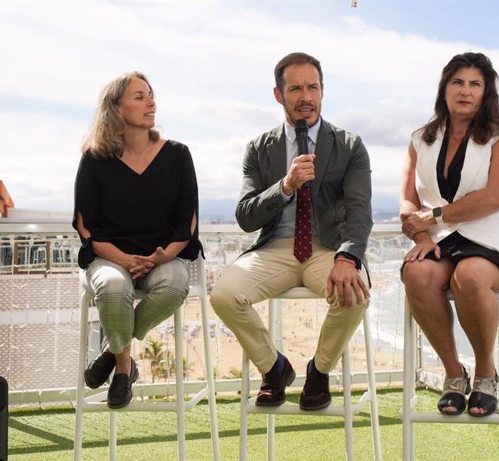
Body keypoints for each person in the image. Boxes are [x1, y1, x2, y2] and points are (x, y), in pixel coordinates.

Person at [210, 52, 372, 411]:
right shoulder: (259, 148)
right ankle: (274, 368)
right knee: (223, 295)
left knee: (355, 294)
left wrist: (348, 257)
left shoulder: (349, 145)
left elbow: (360, 213)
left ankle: (318, 371)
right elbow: (245, 216)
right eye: (295, 88)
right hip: (274, 249)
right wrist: (285, 185)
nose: (305, 97)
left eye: (313, 87)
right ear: (278, 94)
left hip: (326, 248)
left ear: (323, 91)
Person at [399, 52, 499, 417]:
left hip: (491, 238)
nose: (466, 91)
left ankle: (486, 373)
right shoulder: (420, 138)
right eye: (458, 82)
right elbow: (408, 201)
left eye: (475, 84)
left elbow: (496, 197)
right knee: (417, 272)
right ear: (444, 89)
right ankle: (454, 374)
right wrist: (422, 236)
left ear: (486, 92)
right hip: (440, 239)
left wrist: (436, 215)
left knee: (470, 275)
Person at [73, 71, 202, 409]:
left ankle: (111, 351)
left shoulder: (177, 154)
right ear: (117, 109)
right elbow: (87, 226)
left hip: (164, 258)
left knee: (174, 286)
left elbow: (187, 220)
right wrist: (122, 259)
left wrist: (162, 257)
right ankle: (123, 369)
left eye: (151, 94)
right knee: (114, 288)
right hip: (108, 258)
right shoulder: (94, 159)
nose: (151, 102)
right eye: (139, 96)